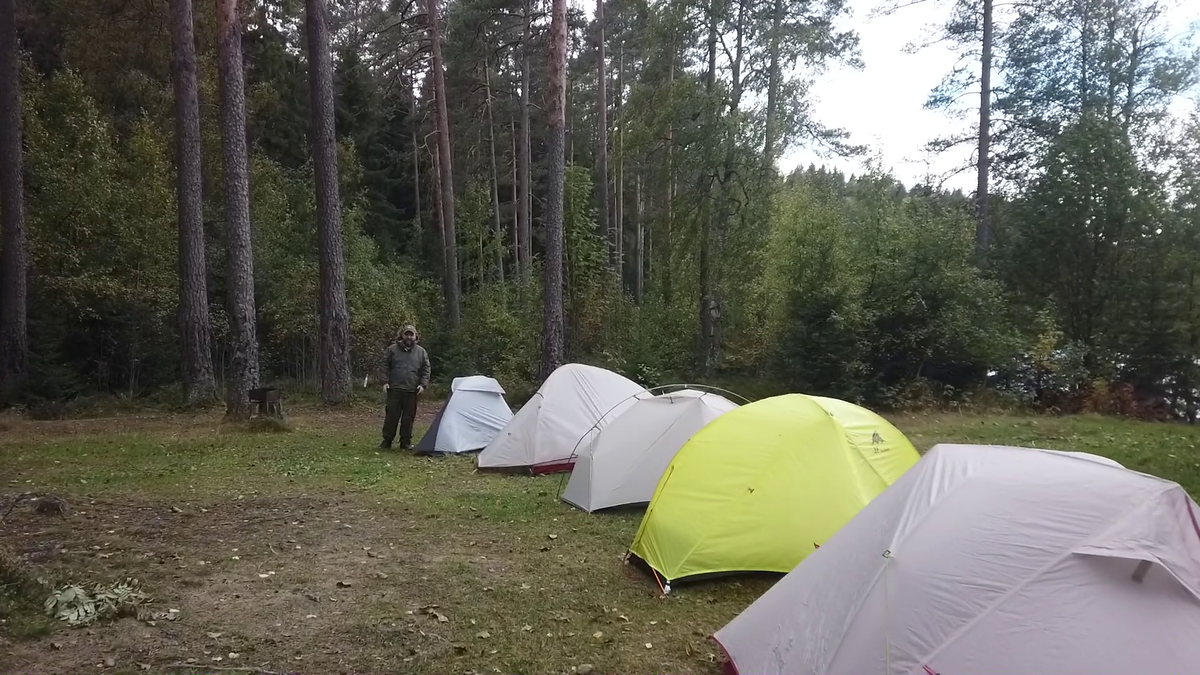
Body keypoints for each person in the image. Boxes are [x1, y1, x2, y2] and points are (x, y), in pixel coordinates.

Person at [381, 325, 431, 450]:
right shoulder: (392, 349)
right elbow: (384, 366)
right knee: (391, 416)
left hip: (412, 390)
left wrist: (423, 384)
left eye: (411, 334)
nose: (409, 337)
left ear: (416, 336)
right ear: (402, 335)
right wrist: (384, 381)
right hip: (394, 389)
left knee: (408, 418)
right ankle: (387, 441)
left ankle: (405, 442)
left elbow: (426, 369)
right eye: (406, 334)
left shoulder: (421, 352)